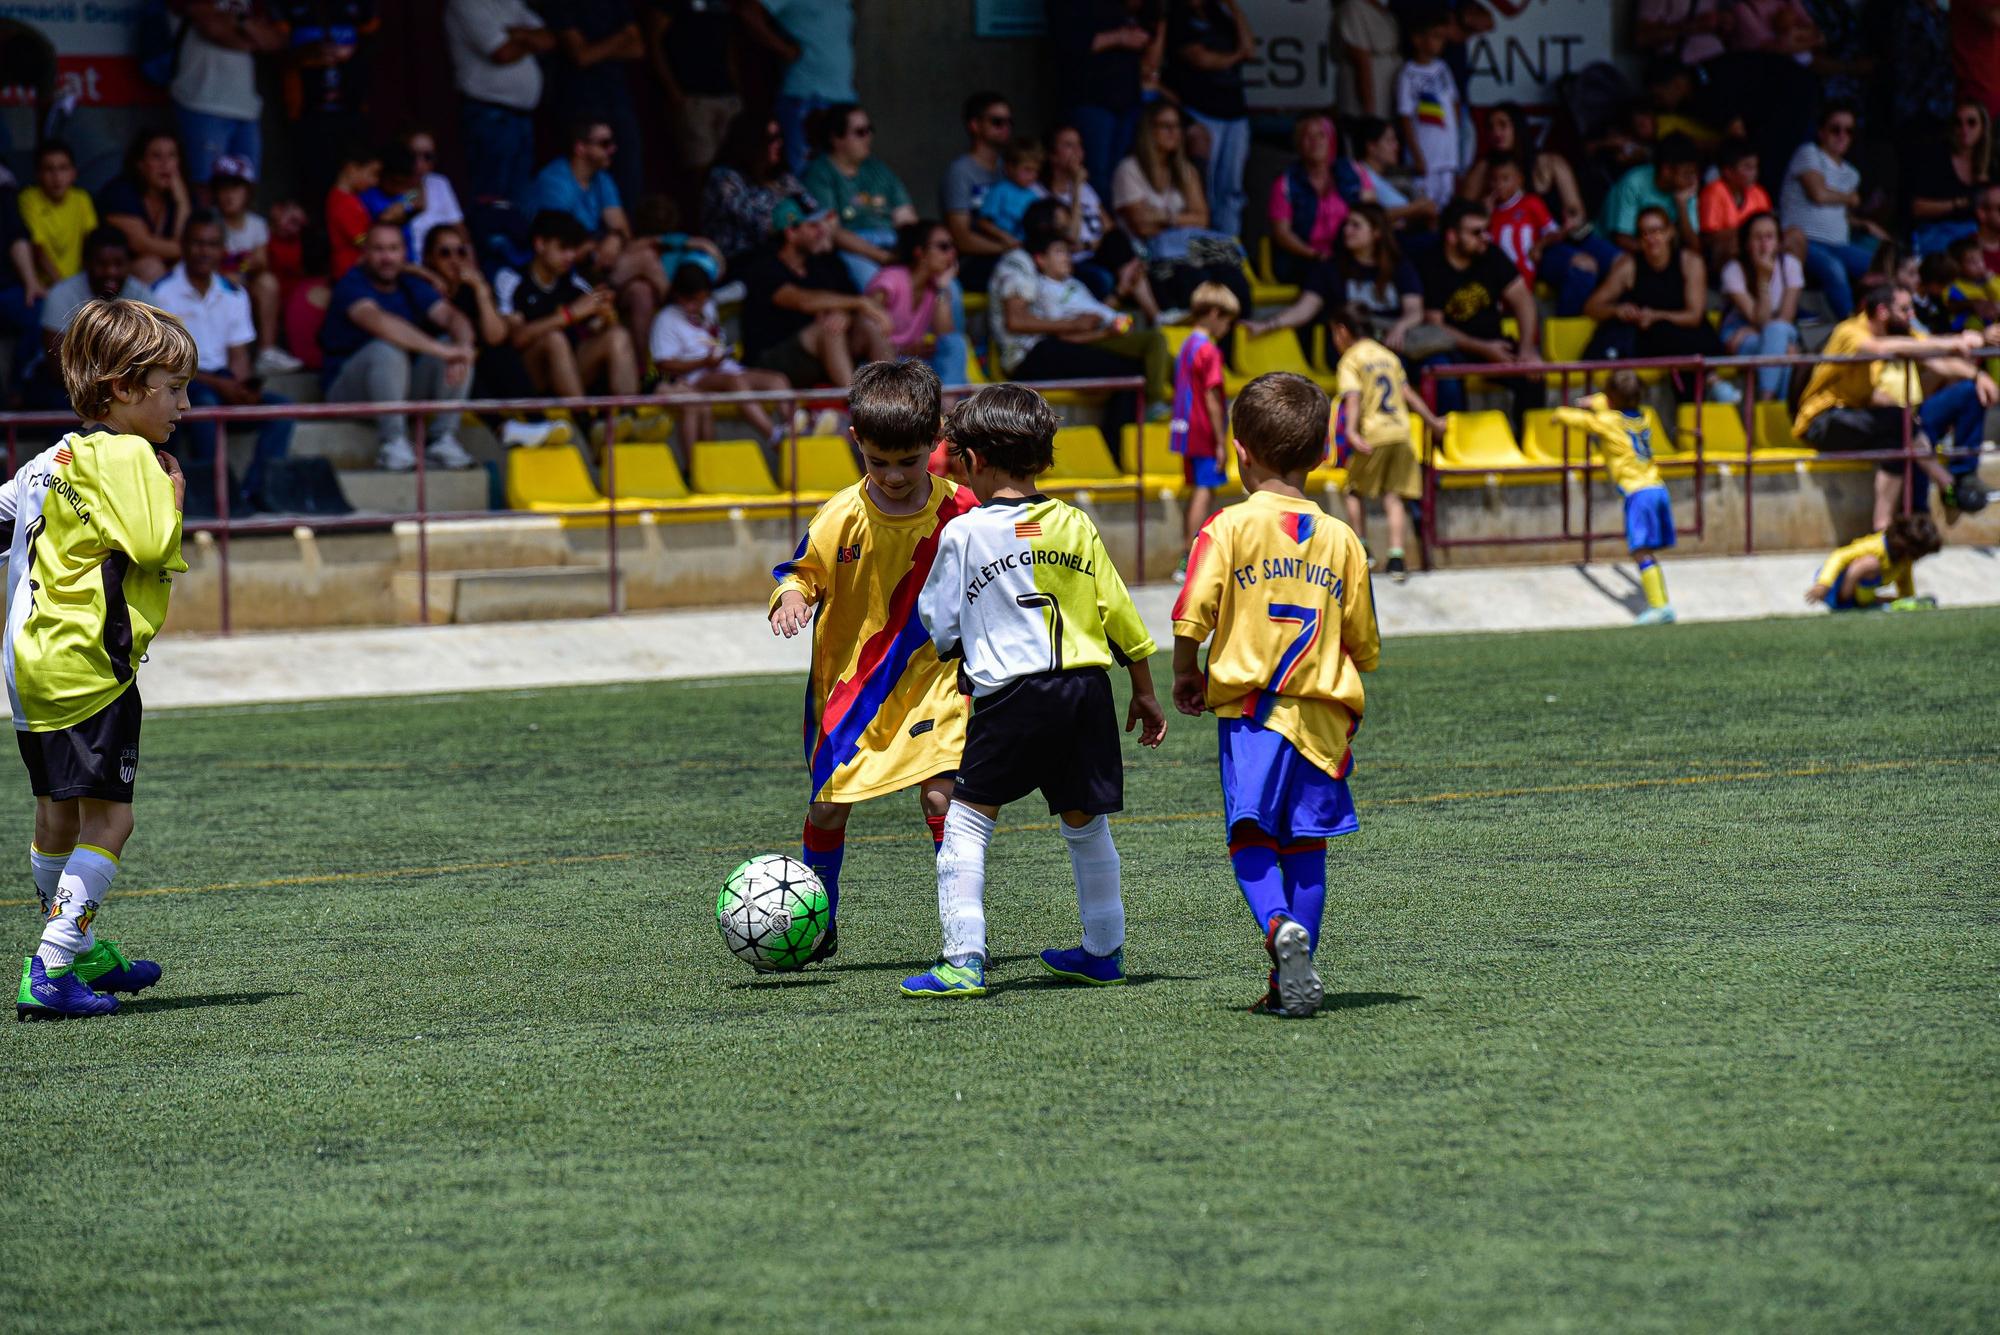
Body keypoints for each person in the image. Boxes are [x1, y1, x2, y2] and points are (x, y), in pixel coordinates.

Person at [906, 384, 1167, 997]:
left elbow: (939, 621)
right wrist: (1145, 691)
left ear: (971, 461)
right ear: (1044, 458)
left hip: (1013, 698)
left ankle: (962, 959)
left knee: (967, 824)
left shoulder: (965, 534)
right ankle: (1103, 950)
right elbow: (1120, 612)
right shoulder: (1076, 523)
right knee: (1085, 825)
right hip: (1087, 690)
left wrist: (959, 645)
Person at [1169, 370, 1379, 1016]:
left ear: (1240, 451)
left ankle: (1277, 923)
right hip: (1320, 715)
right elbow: (1364, 641)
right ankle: (1292, 972)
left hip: (1255, 715)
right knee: (1308, 844)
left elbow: (1192, 611)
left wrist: (1185, 671)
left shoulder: (1228, 527)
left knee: (1251, 837)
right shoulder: (1344, 539)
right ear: (1323, 454)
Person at [6, 298, 192, 1019]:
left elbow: (1, 519)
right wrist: (173, 495)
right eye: (171, 388)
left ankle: (79, 950)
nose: (183, 404)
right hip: (90, 668)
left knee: (57, 816)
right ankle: (52, 964)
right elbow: (150, 546)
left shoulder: (54, 457)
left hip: (28, 667)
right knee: (111, 822)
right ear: (123, 387)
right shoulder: (131, 456)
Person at [766, 359, 974, 963]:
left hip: (937, 680)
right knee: (829, 809)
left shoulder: (960, 510)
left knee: (942, 798)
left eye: (908, 462)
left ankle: (962, 933)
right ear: (857, 442)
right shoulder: (841, 516)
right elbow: (797, 573)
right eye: (877, 461)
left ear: (935, 441)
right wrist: (791, 600)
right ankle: (819, 921)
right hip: (851, 691)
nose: (892, 475)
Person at [1791, 280, 1987, 528]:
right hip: (1822, 422)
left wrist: (1977, 374)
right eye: (1904, 310)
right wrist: (1953, 342)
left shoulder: (1899, 332)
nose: (1911, 315)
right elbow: (1878, 349)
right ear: (1883, 312)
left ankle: (1882, 527)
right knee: (1901, 422)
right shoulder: (1850, 331)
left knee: (1900, 435)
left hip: (1863, 418)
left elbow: (1929, 350)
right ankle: (1948, 487)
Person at [151, 212, 295, 513]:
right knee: (203, 404)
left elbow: (239, 355)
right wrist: (222, 385)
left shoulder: (234, 293)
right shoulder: (161, 293)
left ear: (222, 250)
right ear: (184, 246)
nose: (204, 251)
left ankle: (252, 491)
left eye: (213, 244)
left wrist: (242, 389)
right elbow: (165, 365)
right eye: (198, 243)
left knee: (282, 410)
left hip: (223, 380)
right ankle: (215, 496)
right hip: (181, 385)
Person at [319, 220, 477, 471]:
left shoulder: (409, 282)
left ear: (404, 253)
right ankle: (393, 442)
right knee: (386, 348)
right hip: (347, 391)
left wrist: (463, 347)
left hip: (398, 388)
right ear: (365, 253)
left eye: (393, 249)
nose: (387, 257)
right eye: (379, 249)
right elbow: (380, 323)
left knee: (454, 348)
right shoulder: (352, 283)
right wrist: (443, 350)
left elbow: (450, 316)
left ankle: (441, 439)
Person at [991, 210, 1171, 412]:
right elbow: (1016, 321)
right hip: (1031, 354)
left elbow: (1093, 314)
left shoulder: (1070, 282)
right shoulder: (1020, 264)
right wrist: (1084, 327)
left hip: (1060, 343)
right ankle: (1127, 435)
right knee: (1132, 370)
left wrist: (1120, 293)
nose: (1073, 236)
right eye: (1063, 229)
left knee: (1149, 364)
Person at [1551, 371, 1681, 625]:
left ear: (1610, 399)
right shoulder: (1645, 416)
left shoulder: (1608, 422)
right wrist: (1598, 401)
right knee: (1646, 552)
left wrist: (1559, 414)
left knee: (1641, 550)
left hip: (1638, 493)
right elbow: (1612, 408)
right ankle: (1661, 601)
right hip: (1657, 487)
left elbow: (1582, 421)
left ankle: (1660, 607)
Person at [1330, 303, 1442, 582]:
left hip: (1374, 433)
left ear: (1343, 331)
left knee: (1353, 490)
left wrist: (1353, 432)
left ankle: (1362, 548)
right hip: (1401, 433)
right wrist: (1432, 421)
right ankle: (1396, 558)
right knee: (1394, 496)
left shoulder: (1351, 360)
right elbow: (1408, 394)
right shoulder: (1388, 356)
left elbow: (1353, 397)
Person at [1108, 101, 1250, 311]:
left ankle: (1237, 336)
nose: (1174, 133)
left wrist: (1165, 217)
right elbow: (1142, 226)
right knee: (1195, 281)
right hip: (1150, 254)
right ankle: (1197, 340)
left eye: (1177, 127)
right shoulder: (1129, 169)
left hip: (1188, 247)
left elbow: (1202, 219)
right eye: (1166, 126)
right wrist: (1183, 218)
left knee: (1230, 274)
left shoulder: (1185, 170)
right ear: (1149, 130)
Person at [740, 195, 892, 390]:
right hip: (771, 363)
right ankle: (858, 405)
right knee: (829, 329)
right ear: (791, 232)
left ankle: (893, 401)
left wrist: (845, 314)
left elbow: (845, 302)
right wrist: (858, 303)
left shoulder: (824, 262)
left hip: (825, 355)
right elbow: (801, 301)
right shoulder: (764, 266)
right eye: (813, 226)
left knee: (868, 324)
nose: (823, 231)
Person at [651, 261, 791, 462]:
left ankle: (794, 431)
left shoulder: (708, 307)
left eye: (702, 300)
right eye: (694, 302)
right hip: (694, 378)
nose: (699, 306)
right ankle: (774, 436)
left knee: (777, 380)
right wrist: (703, 363)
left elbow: (738, 291)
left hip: (724, 368)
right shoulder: (666, 319)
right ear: (678, 296)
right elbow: (663, 363)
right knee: (734, 382)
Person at [497, 209, 639, 404]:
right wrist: (569, 314)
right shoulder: (511, 279)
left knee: (618, 336)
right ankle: (585, 422)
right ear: (540, 244)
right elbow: (516, 338)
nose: (570, 256)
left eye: (573, 248)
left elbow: (595, 327)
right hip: (527, 378)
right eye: (563, 248)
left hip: (570, 372)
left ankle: (628, 415)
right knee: (554, 339)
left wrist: (604, 318)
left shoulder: (575, 283)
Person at [1416, 199, 1542, 419]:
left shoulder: (1491, 254)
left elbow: (1523, 299)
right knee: (1446, 378)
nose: (1485, 237)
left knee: (1533, 377)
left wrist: (1527, 349)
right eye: (1476, 232)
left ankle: (1527, 446)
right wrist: (1484, 348)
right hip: (1451, 348)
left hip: (1494, 343)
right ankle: (1455, 444)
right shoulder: (1431, 264)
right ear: (1452, 236)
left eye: (1486, 230)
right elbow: (1435, 326)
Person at [1246, 203, 1424, 356]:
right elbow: (1305, 309)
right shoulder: (1330, 268)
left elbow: (1414, 310)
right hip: (1348, 345)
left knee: (1431, 363)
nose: (1347, 230)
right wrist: (1266, 325)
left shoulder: (1399, 266)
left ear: (1376, 232)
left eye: (1356, 225)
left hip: (1392, 340)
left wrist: (1400, 327)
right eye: (1346, 224)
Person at [1581, 205, 1725, 368]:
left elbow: (1694, 316)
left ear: (1670, 232)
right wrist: (1617, 310)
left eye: (1657, 231)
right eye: (1644, 233)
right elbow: (1591, 306)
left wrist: (1656, 315)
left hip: (1691, 336)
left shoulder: (1690, 262)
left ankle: (1713, 383)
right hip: (1651, 342)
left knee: (1685, 341)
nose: (1651, 238)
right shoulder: (1629, 266)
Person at [420, 222, 540, 414]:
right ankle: (503, 428)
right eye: (445, 253)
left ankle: (536, 419)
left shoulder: (470, 290)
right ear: (429, 258)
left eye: (460, 252)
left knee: (499, 353)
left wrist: (481, 292)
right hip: (432, 372)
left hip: (471, 372)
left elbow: (496, 337)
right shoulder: (421, 289)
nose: (454, 259)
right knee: (462, 355)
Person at [1781, 103, 1888, 319]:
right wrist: (1851, 197)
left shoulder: (1851, 173)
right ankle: (1851, 324)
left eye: (1848, 131)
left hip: (1839, 243)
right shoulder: (1808, 153)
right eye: (1835, 129)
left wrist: (1865, 224)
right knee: (1834, 268)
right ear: (1821, 132)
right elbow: (1818, 194)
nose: (1842, 136)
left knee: (1882, 265)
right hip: (1805, 241)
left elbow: (1841, 214)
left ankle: (1882, 318)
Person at [444, 0, 553, 209]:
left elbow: (548, 39)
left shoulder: (510, 2)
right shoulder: (467, 4)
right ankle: (494, 239)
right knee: (493, 196)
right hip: (489, 113)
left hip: (521, 114)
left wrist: (519, 36)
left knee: (518, 195)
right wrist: (530, 39)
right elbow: (503, 52)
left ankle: (515, 238)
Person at [271, 0, 380, 202]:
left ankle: (359, 234)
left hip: (352, 110)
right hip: (305, 113)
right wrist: (308, 53)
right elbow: (272, 49)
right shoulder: (287, 7)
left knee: (355, 188)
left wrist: (351, 53)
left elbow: (375, 41)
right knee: (312, 186)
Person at [801, 102, 918, 289]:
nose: (868, 137)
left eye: (870, 130)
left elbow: (906, 218)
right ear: (836, 139)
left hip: (894, 243)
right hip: (853, 249)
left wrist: (912, 250)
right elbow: (831, 231)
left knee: (945, 287)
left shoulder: (878, 168)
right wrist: (882, 256)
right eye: (860, 132)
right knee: (878, 286)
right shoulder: (820, 173)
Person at [169, 1, 286, 185]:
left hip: (246, 107)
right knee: (206, 186)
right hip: (202, 102)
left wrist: (238, 23)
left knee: (245, 187)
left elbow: (275, 40)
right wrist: (248, 28)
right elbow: (210, 28)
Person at [1165, 0, 1254, 238]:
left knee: (1232, 190)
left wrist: (1233, 8)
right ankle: (1205, 245)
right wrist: (1237, 57)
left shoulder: (1220, 15)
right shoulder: (1178, 17)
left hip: (1235, 114)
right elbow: (1201, 59)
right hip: (1202, 111)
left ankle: (1227, 247)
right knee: (1206, 189)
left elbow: (1250, 48)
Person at [546, 0, 646, 207]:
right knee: (585, 175)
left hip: (618, 98)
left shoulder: (616, 5)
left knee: (627, 174)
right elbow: (581, 56)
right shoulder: (563, 5)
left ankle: (622, 231)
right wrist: (621, 37)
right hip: (581, 102)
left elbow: (637, 48)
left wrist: (596, 48)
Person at [1052, 1, 1157, 194]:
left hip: (1128, 97)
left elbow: (1149, 31)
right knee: (1096, 173)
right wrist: (1119, 37)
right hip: (1092, 99)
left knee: (1124, 171)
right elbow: (1070, 42)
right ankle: (1099, 221)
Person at [205, 158, 298, 375]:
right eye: (223, 188)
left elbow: (261, 262)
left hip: (245, 284)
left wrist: (244, 268)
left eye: (235, 188)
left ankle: (266, 351)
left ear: (248, 191)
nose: (229, 195)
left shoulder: (256, 224)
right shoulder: (209, 222)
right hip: (213, 287)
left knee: (268, 283)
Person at [1170, 281, 1235, 576]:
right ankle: (1190, 558)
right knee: (1204, 492)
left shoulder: (1187, 345)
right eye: (1226, 320)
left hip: (1185, 429)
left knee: (1198, 490)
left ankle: (1189, 555)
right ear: (1212, 313)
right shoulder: (1208, 350)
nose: (1227, 327)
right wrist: (1221, 441)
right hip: (1204, 432)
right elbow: (1211, 396)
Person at [865, 220, 968, 387]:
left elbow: (946, 336)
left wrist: (942, 289)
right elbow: (864, 332)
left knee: (955, 344)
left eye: (953, 246)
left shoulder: (934, 286)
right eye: (943, 247)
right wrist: (902, 350)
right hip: (881, 366)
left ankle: (948, 406)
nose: (952, 254)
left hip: (911, 364)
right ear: (920, 252)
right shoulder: (891, 279)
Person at [702, 114, 811, 270]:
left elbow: (811, 206)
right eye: (771, 138)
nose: (778, 143)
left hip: (785, 251)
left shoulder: (780, 175)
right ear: (751, 143)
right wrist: (795, 216)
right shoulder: (724, 178)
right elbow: (764, 224)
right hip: (742, 260)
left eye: (780, 136)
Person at [1720, 211, 1804, 401]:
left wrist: (1757, 329)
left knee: (1778, 332)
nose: (1764, 244)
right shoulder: (1734, 270)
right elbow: (1757, 318)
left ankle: (1765, 399)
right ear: (1747, 243)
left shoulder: (1790, 265)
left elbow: (1786, 317)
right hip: (1740, 335)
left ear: (1778, 242)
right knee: (1786, 350)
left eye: (1769, 237)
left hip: (1769, 330)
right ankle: (1776, 408)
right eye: (1757, 237)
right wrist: (1763, 280)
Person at [97, 129, 192, 285]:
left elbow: (186, 241)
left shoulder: (182, 194)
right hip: (115, 276)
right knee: (150, 267)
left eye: (171, 156)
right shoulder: (120, 193)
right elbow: (142, 245)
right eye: (156, 156)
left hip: (164, 270)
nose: (165, 164)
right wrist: (192, 251)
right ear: (140, 163)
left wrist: (182, 203)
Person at [941, 91, 1014, 290]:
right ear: (974, 125)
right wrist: (1008, 249)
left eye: (1009, 122)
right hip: (974, 261)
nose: (1006, 128)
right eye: (997, 122)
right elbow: (961, 237)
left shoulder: (1010, 169)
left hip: (1010, 254)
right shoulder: (960, 172)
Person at [1266, 114, 1347, 286]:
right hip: (1303, 259)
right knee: (1325, 272)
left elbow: (1370, 215)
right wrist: (1315, 254)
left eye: (1321, 135)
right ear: (1299, 145)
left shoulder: (1352, 175)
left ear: (1331, 141)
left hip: (1347, 255)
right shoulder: (1285, 183)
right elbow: (1282, 234)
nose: (1315, 141)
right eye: (1307, 136)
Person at [1906, 101, 1992, 258]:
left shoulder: (1990, 164)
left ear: (1983, 128)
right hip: (1937, 232)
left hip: (1976, 235)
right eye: (1958, 123)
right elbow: (1917, 208)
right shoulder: (1936, 158)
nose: (1964, 129)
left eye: (1971, 123)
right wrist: (1959, 204)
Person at [1394, 15, 1464, 207]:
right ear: (1417, 39)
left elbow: (1454, 102)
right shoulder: (1407, 73)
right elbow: (1405, 116)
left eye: (1442, 37)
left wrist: (1454, 140)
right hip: (1425, 157)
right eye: (1435, 36)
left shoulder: (1443, 68)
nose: (1440, 42)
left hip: (1447, 156)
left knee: (1446, 202)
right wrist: (1417, 156)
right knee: (1424, 204)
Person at [1807, 514, 1943, 611]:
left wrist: (1909, 599)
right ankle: (1850, 603)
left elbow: (1905, 582)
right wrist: (1823, 584)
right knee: (1870, 564)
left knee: (1896, 600)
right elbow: (1838, 556)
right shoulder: (1877, 546)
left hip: (1860, 595)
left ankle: (1866, 604)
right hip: (1836, 588)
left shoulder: (1904, 560)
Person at [1599, 133, 1701, 256]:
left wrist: (1682, 206)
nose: (1693, 180)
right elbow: (1622, 240)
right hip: (1609, 248)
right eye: (1687, 174)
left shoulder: (1684, 190)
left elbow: (1694, 248)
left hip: (1655, 254)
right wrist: (1662, 254)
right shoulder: (1634, 183)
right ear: (1666, 170)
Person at [1337, 117, 1438, 232]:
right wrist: (1416, 208)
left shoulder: (1392, 176)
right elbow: (1369, 217)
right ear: (1372, 147)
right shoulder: (1357, 175)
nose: (1396, 146)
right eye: (1390, 141)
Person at [21, 141, 96, 290]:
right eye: (49, 169)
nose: (56, 176)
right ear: (38, 174)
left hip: (79, 284)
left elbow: (91, 243)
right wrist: (63, 288)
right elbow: (38, 249)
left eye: (63, 168)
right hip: (44, 286)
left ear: (73, 173)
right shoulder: (29, 199)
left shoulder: (82, 199)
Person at [403, 129, 464, 259]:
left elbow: (460, 231)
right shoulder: (392, 189)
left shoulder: (438, 183)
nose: (419, 163)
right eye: (412, 156)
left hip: (445, 261)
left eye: (427, 157)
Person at [975, 141, 1048, 250]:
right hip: (999, 248)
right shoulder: (1000, 190)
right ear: (1009, 168)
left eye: (1036, 171)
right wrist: (1005, 237)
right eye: (1027, 170)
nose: (1032, 176)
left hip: (1025, 249)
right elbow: (983, 223)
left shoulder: (1034, 196)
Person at [1336, 0, 1401, 120]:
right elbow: (1361, 61)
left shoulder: (1381, 7)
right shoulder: (1352, 6)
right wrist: (1369, 112)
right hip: (1371, 94)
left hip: (1387, 91)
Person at [325, 142, 379, 279]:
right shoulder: (343, 203)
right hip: (350, 272)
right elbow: (359, 239)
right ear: (352, 168)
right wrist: (376, 244)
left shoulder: (349, 199)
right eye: (373, 174)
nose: (375, 181)